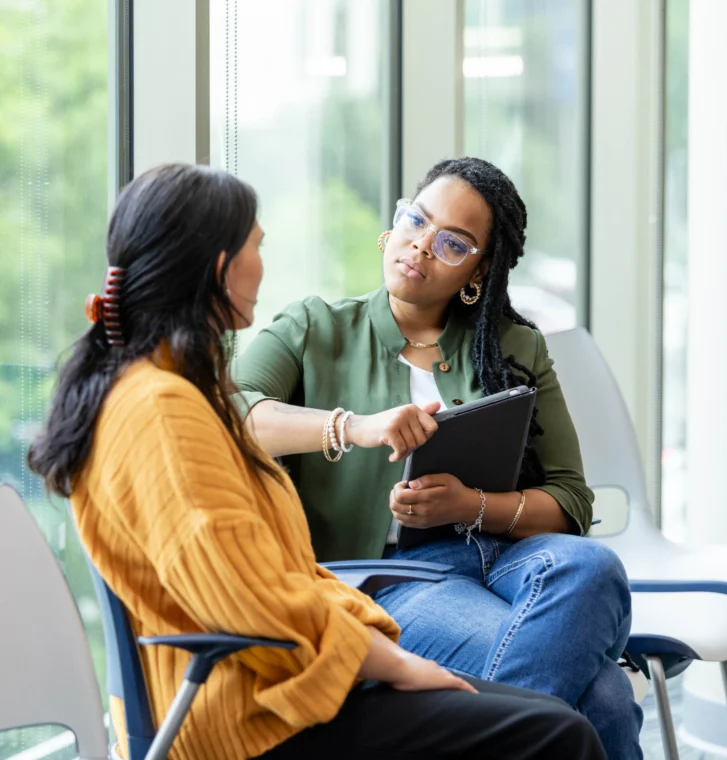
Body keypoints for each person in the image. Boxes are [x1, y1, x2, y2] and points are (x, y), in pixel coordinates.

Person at [27, 163, 606, 760]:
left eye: (453, 242)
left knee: (581, 639)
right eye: (257, 245)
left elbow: (265, 579)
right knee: (571, 722)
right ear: (221, 267)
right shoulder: (164, 407)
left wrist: (384, 644)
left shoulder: (165, 395)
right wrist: (393, 661)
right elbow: (247, 599)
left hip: (287, 675)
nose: (263, 262)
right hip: (257, 708)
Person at [233, 157, 643, 759]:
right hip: (390, 578)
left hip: (509, 559)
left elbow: (570, 500)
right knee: (604, 692)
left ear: (478, 270)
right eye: (416, 220)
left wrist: (470, 505)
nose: (422, 245)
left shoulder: (514, 345)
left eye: (452, 243)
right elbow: (232, 415)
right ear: (394, 222)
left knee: (594, 568)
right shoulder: (312, 328)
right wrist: (357, 428)